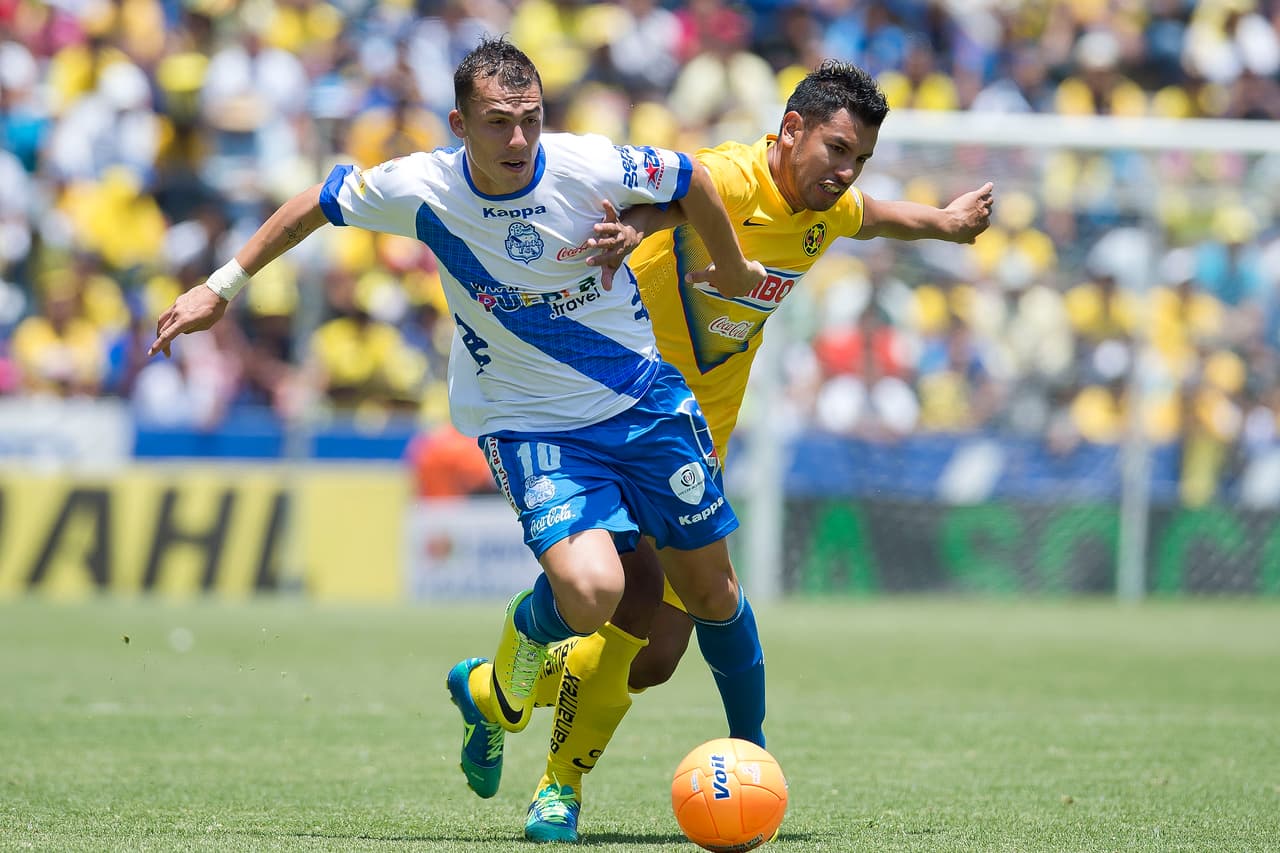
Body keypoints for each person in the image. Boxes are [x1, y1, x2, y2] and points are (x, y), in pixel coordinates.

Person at [146, 36, 770, 845]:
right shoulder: (421, 187)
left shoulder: (585, 164)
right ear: (458, 123)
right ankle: (555, 780)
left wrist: (723, 261)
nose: (519, 141)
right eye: (499, 123)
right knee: (595, 595)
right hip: (528, 421)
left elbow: (693, 179)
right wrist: (220, 286)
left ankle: (514, 698)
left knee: (706, 596)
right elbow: (313, 204)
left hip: (644, 404)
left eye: (531, 120)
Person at [455, 59, 995, 842]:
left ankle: (489, 689)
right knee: (632, 602)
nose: (846, 173)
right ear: (791, 132)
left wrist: (943, 222)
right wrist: (636, 229)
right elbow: (674, 195)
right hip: (609, 418)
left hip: (695, 442)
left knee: (656, 655)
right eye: (837, 150)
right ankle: (563, 788)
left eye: (859, 159)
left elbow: (872, 216)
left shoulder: (825, 211)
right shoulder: (731, 178)